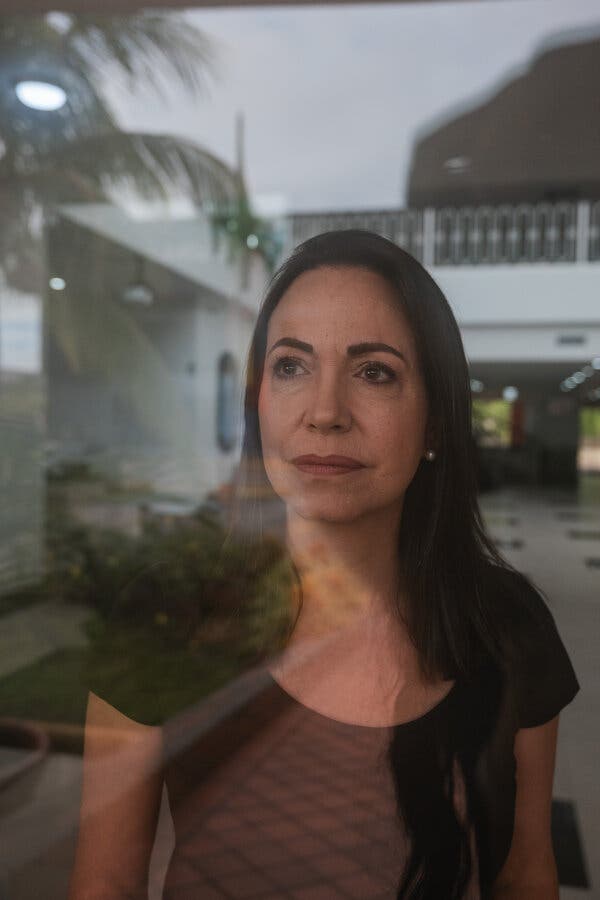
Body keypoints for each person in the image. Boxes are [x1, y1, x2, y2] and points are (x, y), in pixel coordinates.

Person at [69, 230, 579, 900]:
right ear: (260, 403)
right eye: (291, 366)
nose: (326, 412)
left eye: (375, 372)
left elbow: (523, 876)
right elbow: (104, 884)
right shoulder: (161, 615)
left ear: (434, 423)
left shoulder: (508, 628)